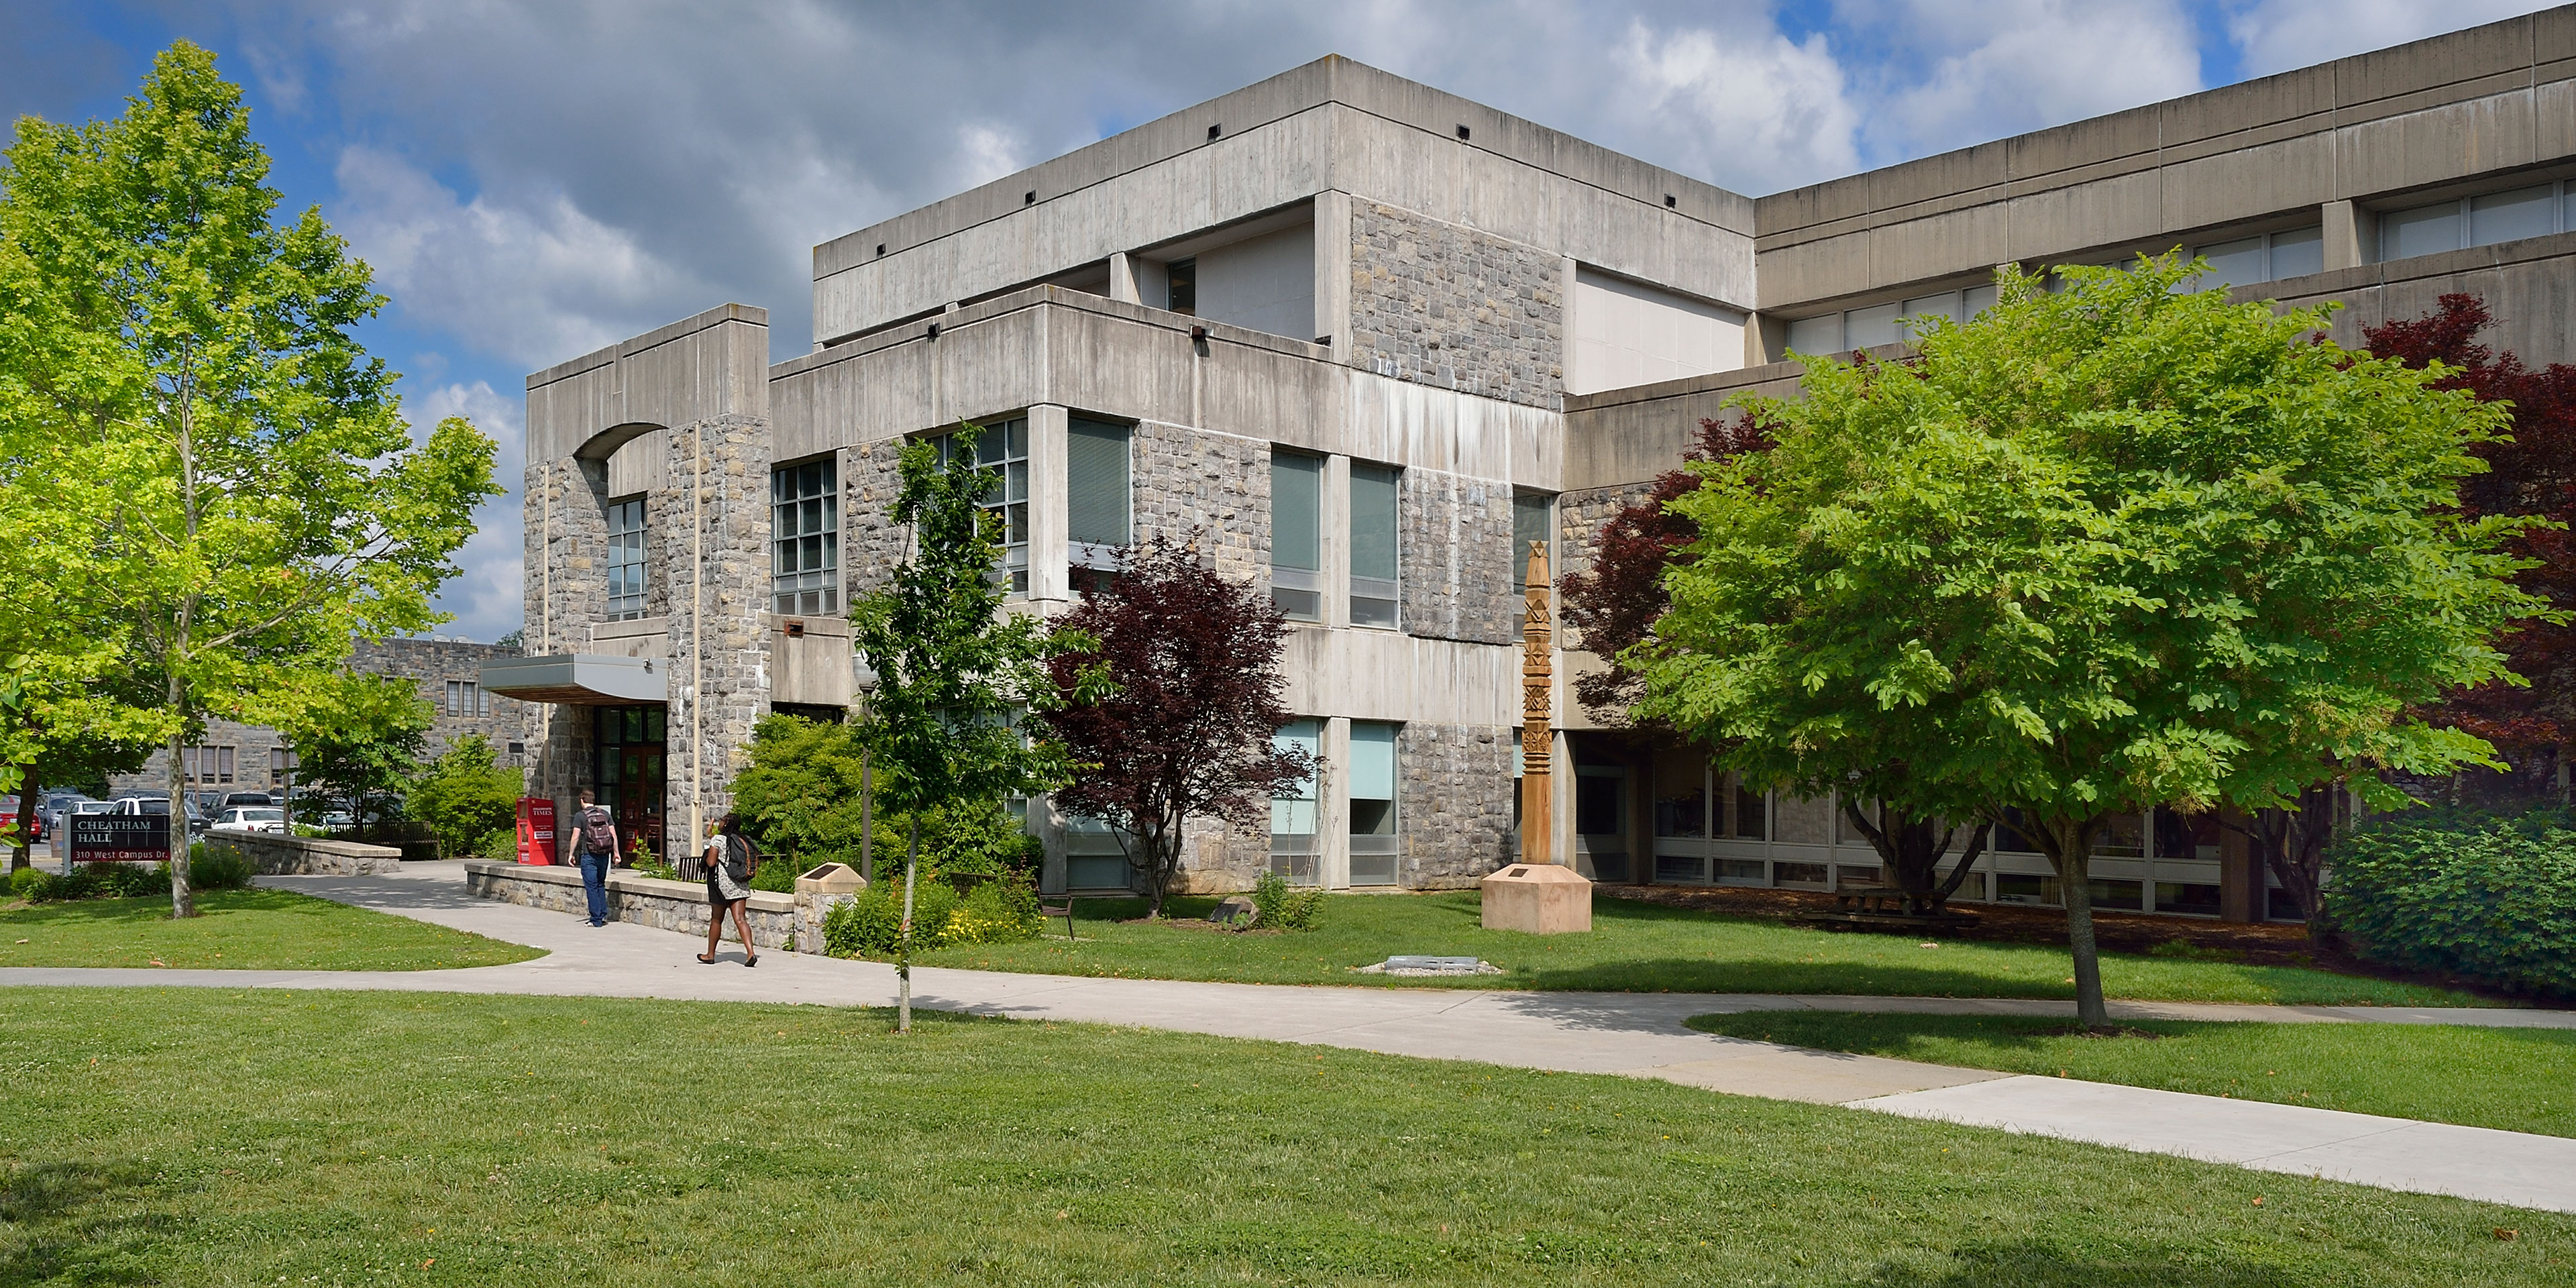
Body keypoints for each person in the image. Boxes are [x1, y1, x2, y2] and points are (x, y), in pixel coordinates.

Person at [698, 812, 759, 967]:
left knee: (717, 919)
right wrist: (711, 835)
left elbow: (712, 862)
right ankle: (751, 953)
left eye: (721, 821)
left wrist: (709, 847)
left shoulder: (719, 839)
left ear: (725, 824)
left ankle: (710, 955)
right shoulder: (742, 839)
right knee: (741, 919)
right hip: (740, 884)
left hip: (721, 885)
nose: (719, 823)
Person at [572, 788, 618, 928]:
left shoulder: (580, 816)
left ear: (582, 800)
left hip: (589, 855)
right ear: (593, 801)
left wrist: (570, 854)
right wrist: (616, 853)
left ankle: (595, 919)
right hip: (604, 854)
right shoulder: (605, 814)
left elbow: (575, 837)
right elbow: (613, 835)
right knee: (600, 884)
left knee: (591, 886)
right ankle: (602, 915)